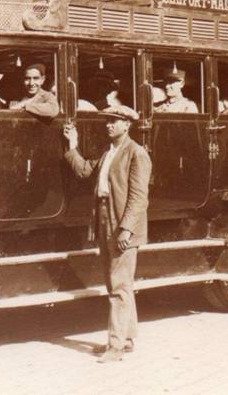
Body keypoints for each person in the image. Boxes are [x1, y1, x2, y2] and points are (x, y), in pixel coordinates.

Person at [62, 106, 151, 363]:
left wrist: (126, 229)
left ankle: (116, 347)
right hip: (105, 221)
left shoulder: (136, 153)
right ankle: (127, 338)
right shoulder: (109, 152)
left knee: (119, 287)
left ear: (127, 125)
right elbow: (84, 171)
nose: (108, 125)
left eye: (114, 121)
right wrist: (72, 145)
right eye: (108, 121)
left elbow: (138, 197)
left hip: (122, 226)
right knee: (118, 284)